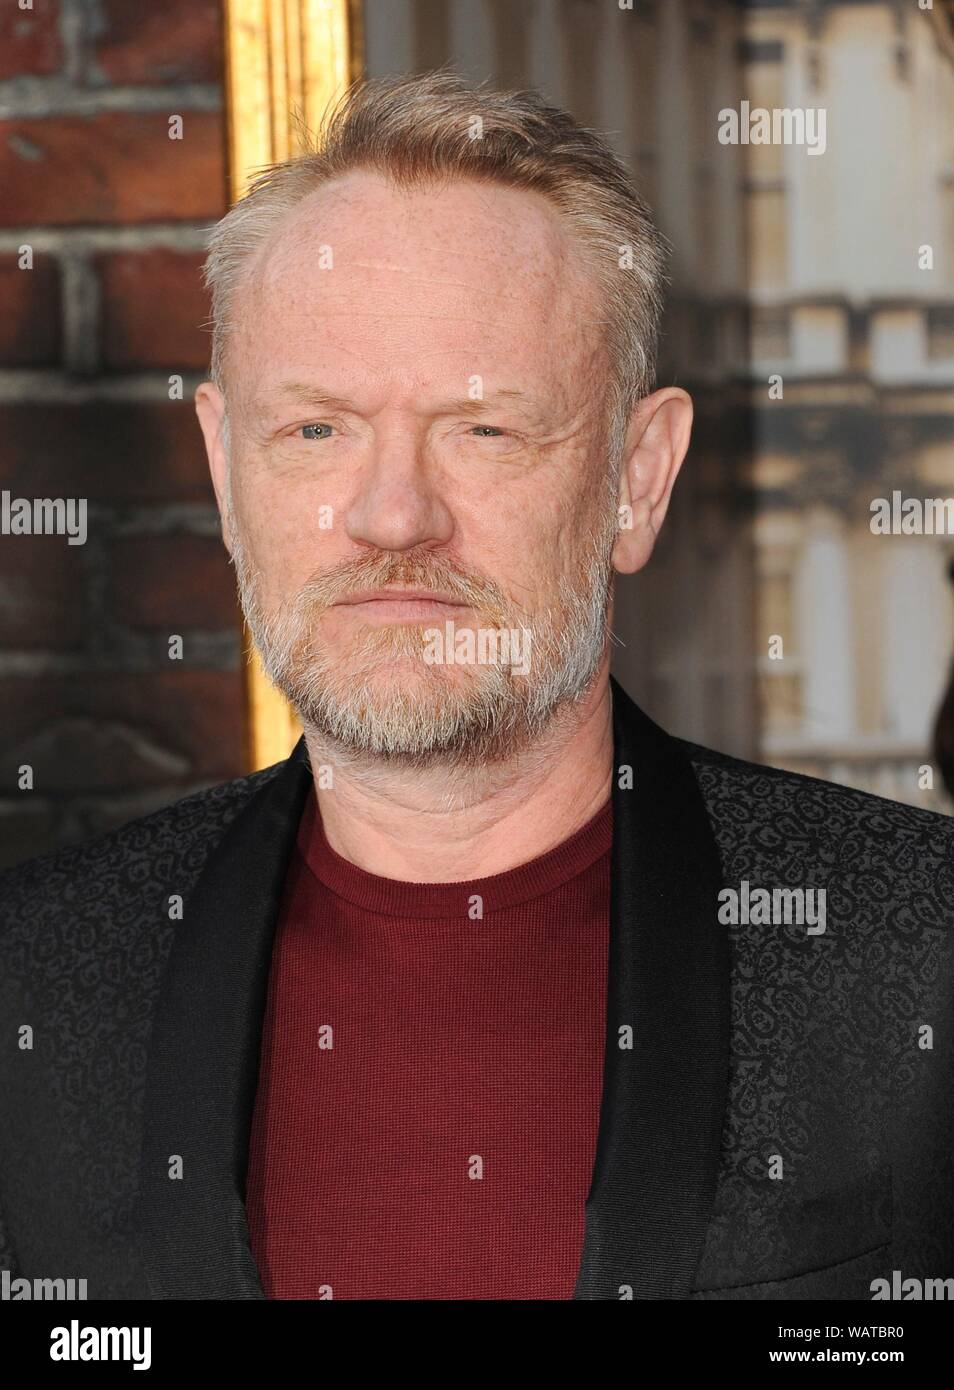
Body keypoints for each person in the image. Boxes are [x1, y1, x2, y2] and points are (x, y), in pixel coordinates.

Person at [1, 71, 951, 1302]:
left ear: (638, 478)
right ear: (226, 476)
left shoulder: (916, 955)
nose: (394, 513)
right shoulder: (34, 986)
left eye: (485, 429)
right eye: (316, 431)